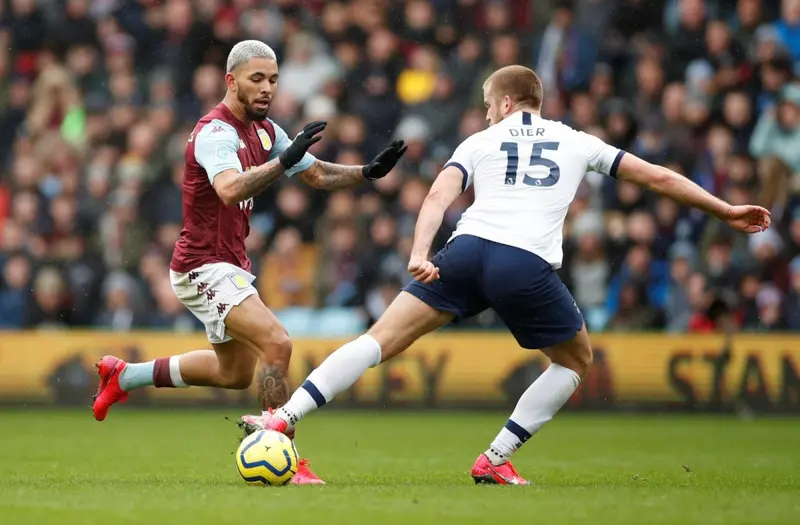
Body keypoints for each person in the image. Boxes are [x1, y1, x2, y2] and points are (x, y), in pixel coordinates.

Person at [240, 65, 771, 485]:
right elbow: (656, 177)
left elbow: (437, 196)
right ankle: (495, 459)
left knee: (377, 340)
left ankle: (283, 417)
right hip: (523, 262)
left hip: (464, 252)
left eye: (489, 104)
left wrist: (420, 251)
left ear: (509, 103)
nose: (487, 112)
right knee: (574, 360)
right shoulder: (577, 140)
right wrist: (724, 209)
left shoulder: (479, 142)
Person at [90, 40, 407, 485]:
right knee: (277, 344)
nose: (266, 88)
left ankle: (124, 376)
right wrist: (282, 163)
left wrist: (366, 173)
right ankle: (285, 453)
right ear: (231, 80)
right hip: (202, 265)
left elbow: (315, 172)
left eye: (273, 79)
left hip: (229, 264)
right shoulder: (215, 133)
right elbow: (230, 189)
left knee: (235, 373)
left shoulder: (265, 131)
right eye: (256, 79)